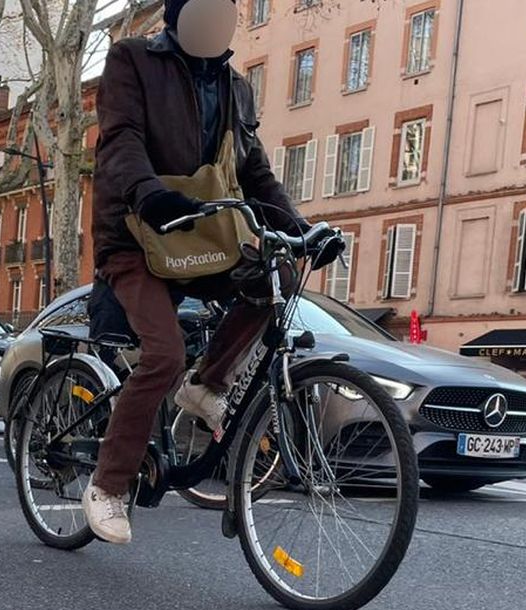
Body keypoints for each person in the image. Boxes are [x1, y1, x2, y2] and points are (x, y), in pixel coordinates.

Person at [82, 0, 340, 544]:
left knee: (276, 278)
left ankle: (206, 386)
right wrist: (149, 193)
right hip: (134, 235)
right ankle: (107, 486)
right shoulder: (132, 59)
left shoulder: (235, 87)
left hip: (201, 237)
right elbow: (120, 141)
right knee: (164, 353)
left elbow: (255, 173)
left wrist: (301, 228)